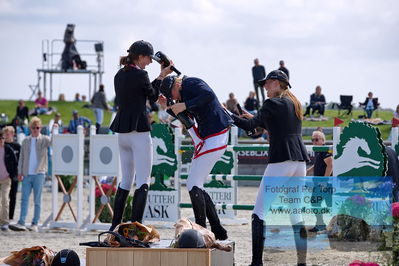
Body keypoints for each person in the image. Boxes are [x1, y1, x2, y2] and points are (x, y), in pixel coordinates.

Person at [231, 70, 309, 266]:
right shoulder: (294, 103)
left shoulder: (271, 103)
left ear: (278, 83)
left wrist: (226, 114)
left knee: (258, 213)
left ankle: (257, 263)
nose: (264, 86)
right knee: (296, 214)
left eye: (268, 83)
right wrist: (257, 120)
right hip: (299, 162)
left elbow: (250, 125)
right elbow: (274, 126)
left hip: (281, 160)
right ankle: (302, 263)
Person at [108, 40, 173, 231]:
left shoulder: (119, 74)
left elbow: (143, 92)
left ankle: (114, 226)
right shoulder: (141, 74)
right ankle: (136, 228)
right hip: (139, 131)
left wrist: (155, 83)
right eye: (148, 58)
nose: (150, 62)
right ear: (140, 56)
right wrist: (162, 75)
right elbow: (152, 95)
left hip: (122, 132)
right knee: (143, 180)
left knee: (126, 180)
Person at [159, 74, 233, 240]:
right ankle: (217, 228)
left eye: (173, 94)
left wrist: (183, 105)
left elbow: (208, 96)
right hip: (210, 136)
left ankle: (203, 229)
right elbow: (184, 114)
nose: (174, 98)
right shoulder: (183, 91)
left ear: (176, 85)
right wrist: (171, 107)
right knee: (196, 184)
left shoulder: (191, 83)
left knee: (193, 183)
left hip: (216, 134)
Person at [9, 117, 51, 232]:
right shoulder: (25, 141)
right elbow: (21, 157)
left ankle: (35, 223)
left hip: (39, 174)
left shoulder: (44, 139)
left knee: (37, 200)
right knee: (24, 199)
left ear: (40, 128)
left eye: (37, 128)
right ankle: (21, 222)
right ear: (30, 128)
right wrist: (20, 172)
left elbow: (53, 141)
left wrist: (55, 129)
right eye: (33, 128)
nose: (35, 130)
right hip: (27, 174)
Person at [306, 130, 333, 232]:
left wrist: (324, 181)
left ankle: (324, 225)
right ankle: (321, 224)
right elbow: (320, 164)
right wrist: (309, 171)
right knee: (317, 203)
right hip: (320, 183)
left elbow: (330, 165)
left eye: (316, 139)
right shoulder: (319, 150)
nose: (314, 142)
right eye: (312, 140)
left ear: (323, 140)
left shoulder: (325, 150)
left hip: (324, 183)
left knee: (326, 204)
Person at [0, 129, 18, 231]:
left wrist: (12, 175)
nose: (1, 140)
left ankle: (5, 222)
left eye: (2, 138)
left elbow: (15, 163)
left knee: (5, 199)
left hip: (6, 179)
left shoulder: (8, 149)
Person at [2, 126, 20, 222]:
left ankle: (11, 217)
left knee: (12, 197)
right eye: (5, 134)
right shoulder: (2, 146)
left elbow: (21, 161)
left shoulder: (17, 146)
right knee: (3, 198)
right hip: (4, 176)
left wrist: (19, 174)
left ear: (13, 134)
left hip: (14, 176)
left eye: (8, 134)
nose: (6, 136)